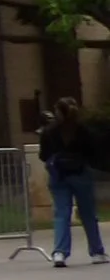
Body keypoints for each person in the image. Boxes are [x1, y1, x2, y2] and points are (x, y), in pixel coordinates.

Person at [37, 98, 105, 266]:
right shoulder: (83, 130)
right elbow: (93, 152)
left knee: (61, 213)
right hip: (80, 173)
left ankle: (60, 252)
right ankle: (96, 252)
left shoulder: (49, 131)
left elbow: (43, 155)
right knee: (88, 214)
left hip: (58, 175)